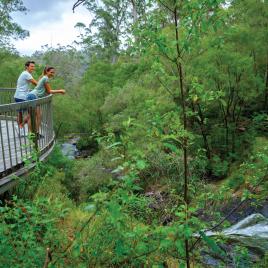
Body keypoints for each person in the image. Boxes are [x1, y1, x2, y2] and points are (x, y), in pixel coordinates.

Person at [26, 66, 65, 135]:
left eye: (53, 73)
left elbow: (46, 91)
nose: (52, 74)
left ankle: (31, 133)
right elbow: (49, 91)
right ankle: (36, 133)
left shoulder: (43, 77)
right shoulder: (45, 78)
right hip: (33, 96)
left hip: (31, 96)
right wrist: (60, 91)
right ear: (47, 71)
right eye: (51, 72)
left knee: (32, 116)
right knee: (38, 115)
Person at [14, 61, 38, 127]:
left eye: (33, 66)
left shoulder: (24, 73)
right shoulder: (27, 74)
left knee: (20, 113)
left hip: (17, 96)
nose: (33, 68)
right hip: (22, 97)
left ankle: (19, 128)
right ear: (27, 67)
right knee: (33, 112)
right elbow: (36, 83)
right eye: (31, 66)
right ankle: (21, 125)